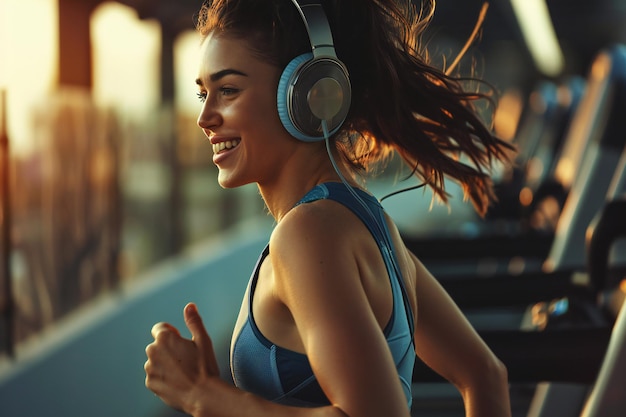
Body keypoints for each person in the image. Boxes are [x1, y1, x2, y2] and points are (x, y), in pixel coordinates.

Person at [144, 0, 514, 416]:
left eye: (228, 90)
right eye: (202, 93)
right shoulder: (368, 221)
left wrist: (206, 397)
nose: (204, 117)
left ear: (309, 94)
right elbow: (485, 375)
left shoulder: (308, 234)